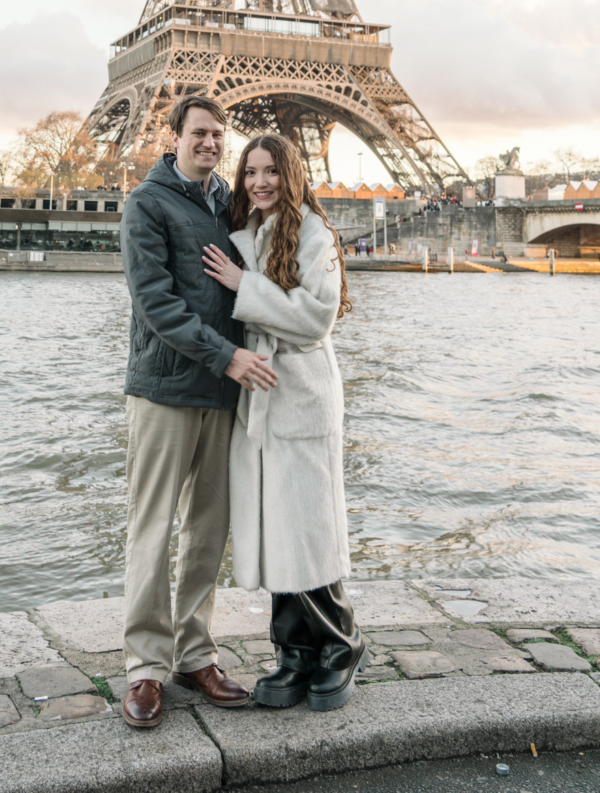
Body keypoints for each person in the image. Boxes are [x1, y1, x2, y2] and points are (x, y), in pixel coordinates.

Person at [118, 95, 274, 731]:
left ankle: (195, 654)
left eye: (218, 135)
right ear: (174, 135)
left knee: (208, 531)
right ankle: (145, 668)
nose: (210, 143)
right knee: (152, 529)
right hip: (166, 389)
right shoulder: (146, 204)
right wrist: (230, 358)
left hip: (221, 390)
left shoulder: (229, 203)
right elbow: (155, 304)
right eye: (199, 133)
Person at [202, 133, 367, 713]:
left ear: (291, 174)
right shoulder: (246, 234)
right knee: (278, 528)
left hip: (300, 395)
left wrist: (243, 286)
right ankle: (293, 652)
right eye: (250, 172)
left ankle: (341, 644)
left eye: (271, 171)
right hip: (260, 396)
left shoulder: (317, 235)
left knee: (309, 526)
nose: (260, 182)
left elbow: (315, 320)